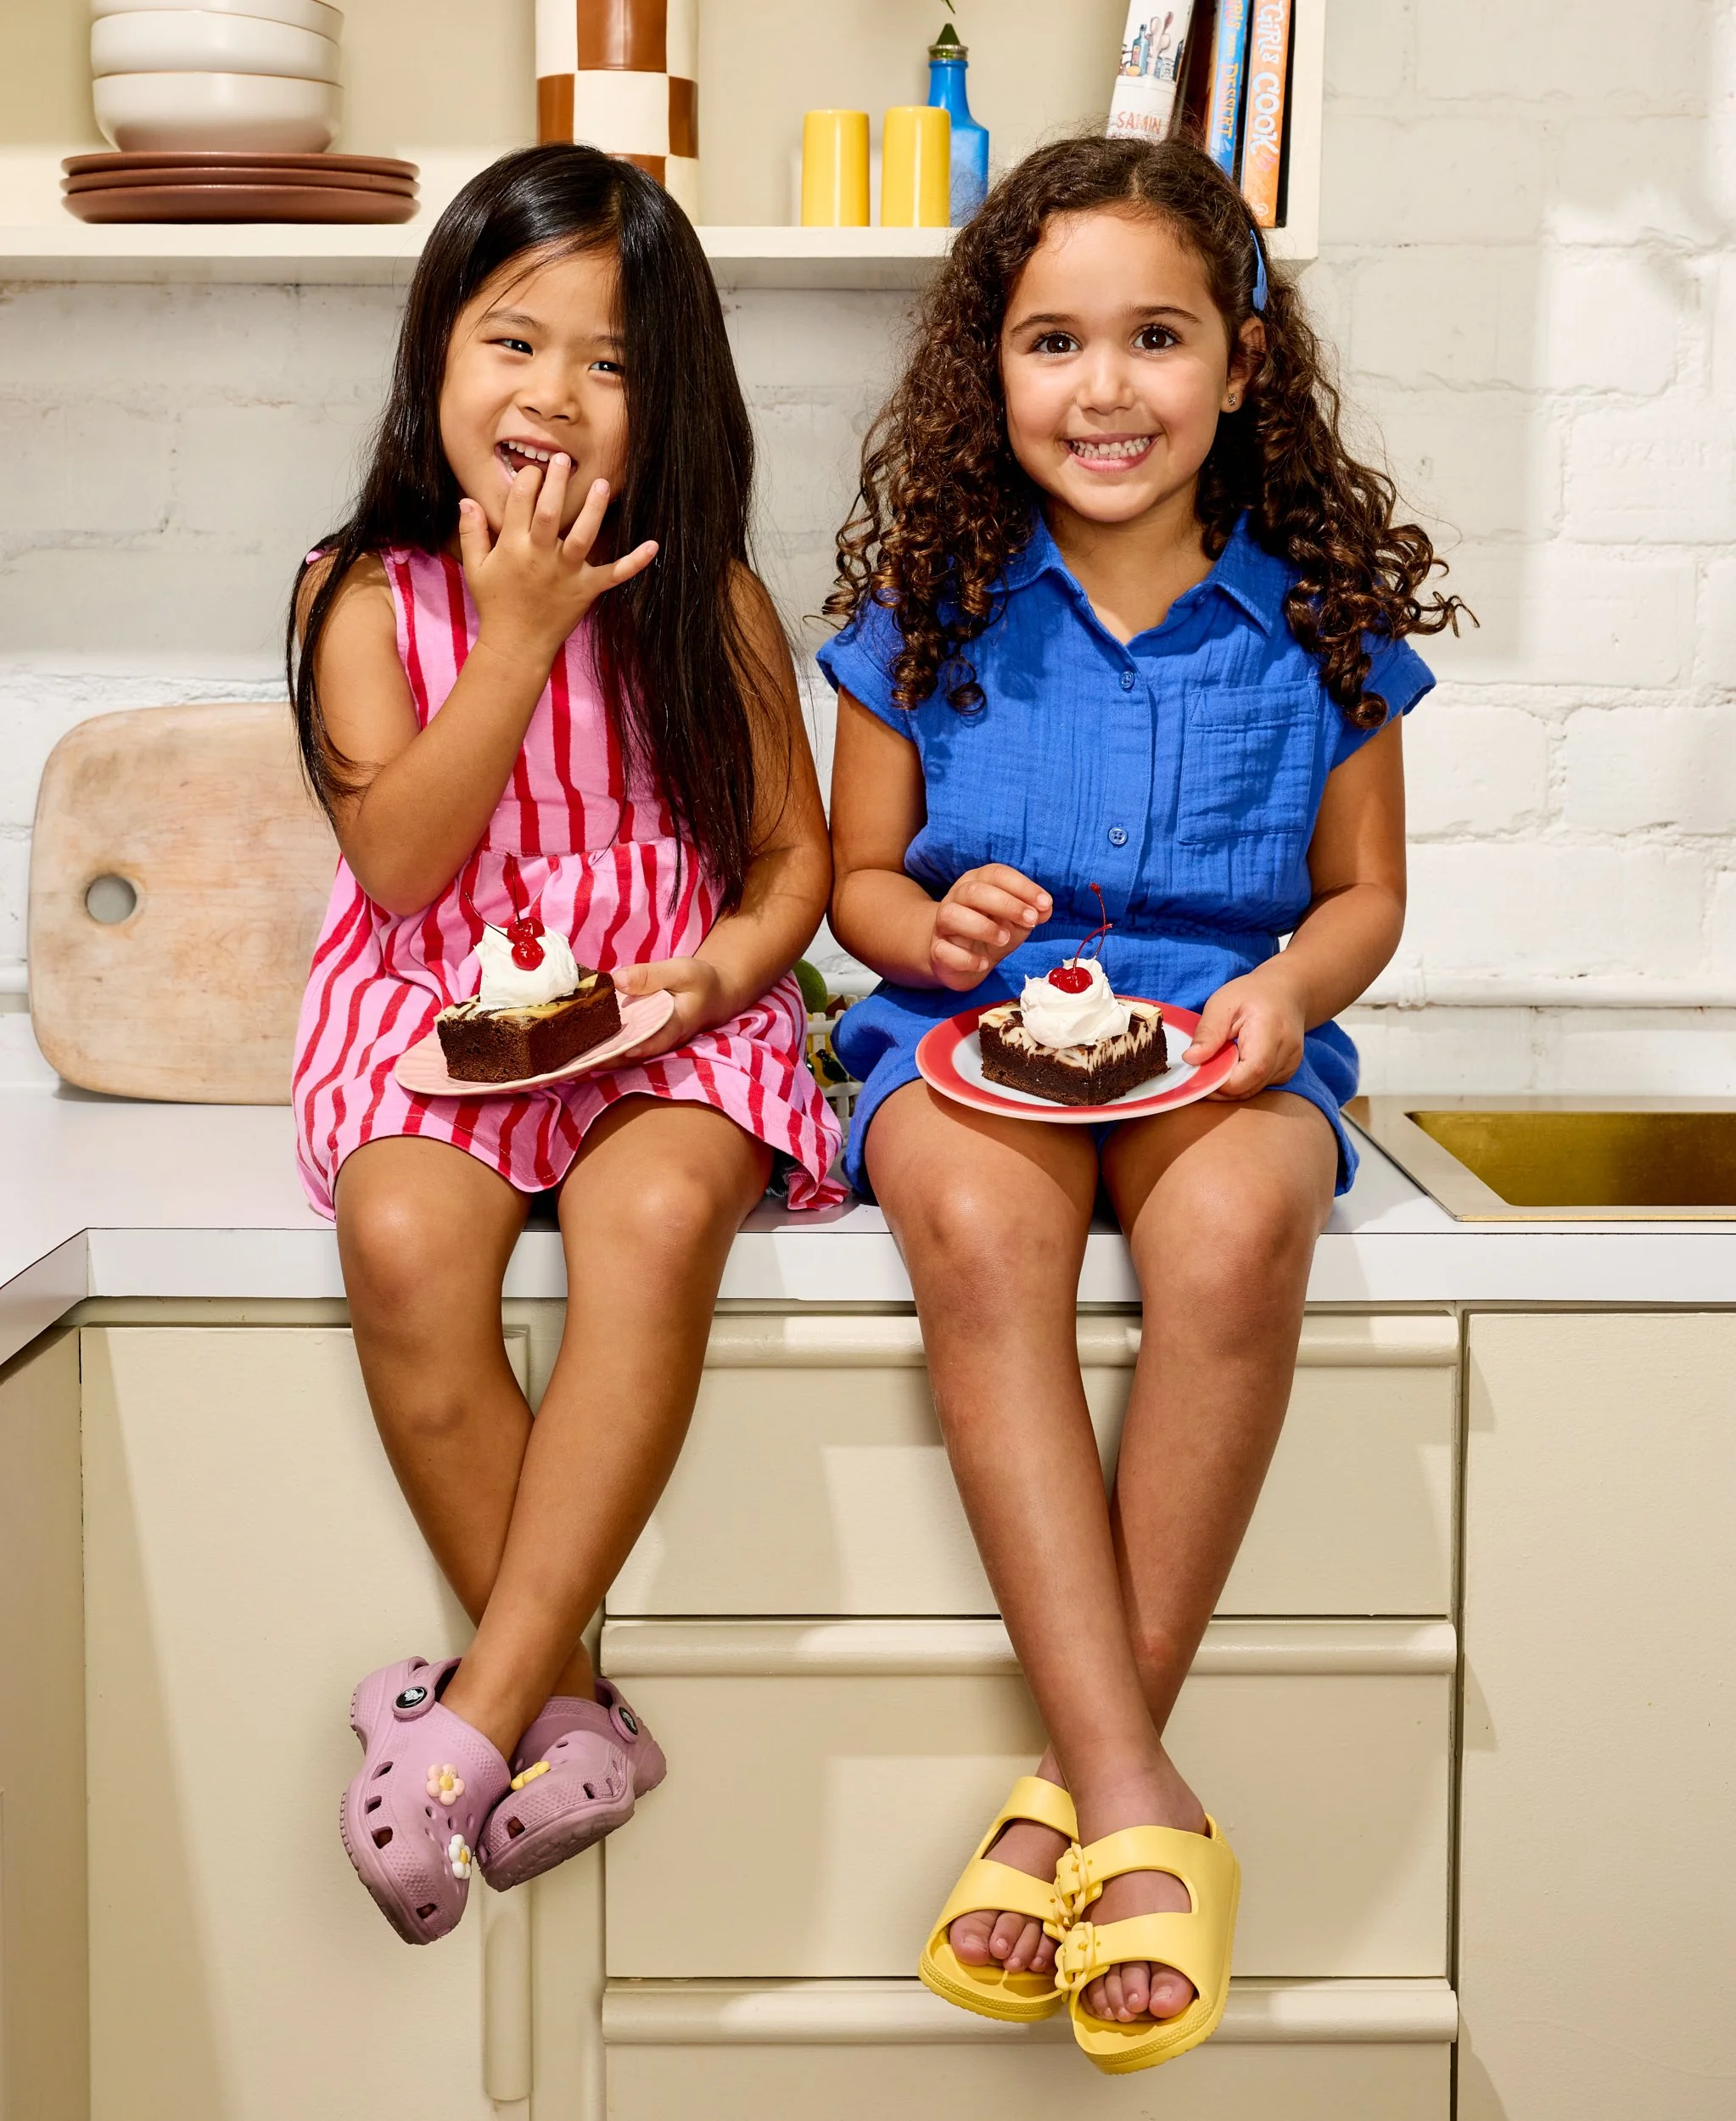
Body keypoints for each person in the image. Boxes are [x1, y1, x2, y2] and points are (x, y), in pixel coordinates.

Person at [821, 133, 1464, 2073]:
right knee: (979, 1221)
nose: (1106, 389)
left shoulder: (1325, 627)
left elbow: (1366, 894)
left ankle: (1069, 1796)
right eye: (1053, 343)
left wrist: (1286, 993)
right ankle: (1131, 1796)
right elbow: (858, 890)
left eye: (1158, 337)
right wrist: (937, 928)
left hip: (1219, 1045)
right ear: (987, 371)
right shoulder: (918, 612)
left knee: (1246, 1219)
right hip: (973, 1043)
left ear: (1246, 363)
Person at [288, 143, 842, 1946]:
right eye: (514, 340)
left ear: (668, 401)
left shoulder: (710, 599)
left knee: (658, 1220)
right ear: (436, 358)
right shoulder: (361, 595)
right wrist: (513, 634)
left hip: (662, 1013)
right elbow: (401, 856)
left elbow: (790, 864)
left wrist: (719, 973)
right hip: (433, 999)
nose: (553, 394)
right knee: (399, 1240)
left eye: (611, 362)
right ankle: (578, 1713)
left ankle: (469, 1720)